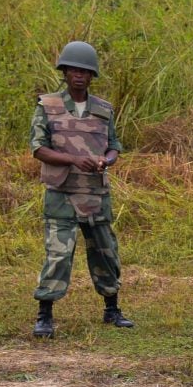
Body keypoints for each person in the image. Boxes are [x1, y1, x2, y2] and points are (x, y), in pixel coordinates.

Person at [30, 41, 133, 338]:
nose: (79, 75)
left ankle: (112, 309)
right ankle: (45, 315)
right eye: (74, 70)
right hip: (61, 193)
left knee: (105, 252)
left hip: (95, 193)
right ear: (64, 72)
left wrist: (106, 161)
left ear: (92, 76)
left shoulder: (103, 109)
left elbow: (114, 145)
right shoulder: (47, 106)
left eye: (85, 71)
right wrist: (74, 159)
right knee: (58, 254)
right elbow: (38, 148)